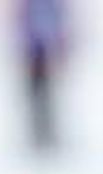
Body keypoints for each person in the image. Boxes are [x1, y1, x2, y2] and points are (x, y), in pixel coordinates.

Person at [18, 0, 69, 153]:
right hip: (33, 50)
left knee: (46, 91)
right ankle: (39, 132)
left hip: (43, 49)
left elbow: (58, 20)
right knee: (36, 92)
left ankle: (46, 131)